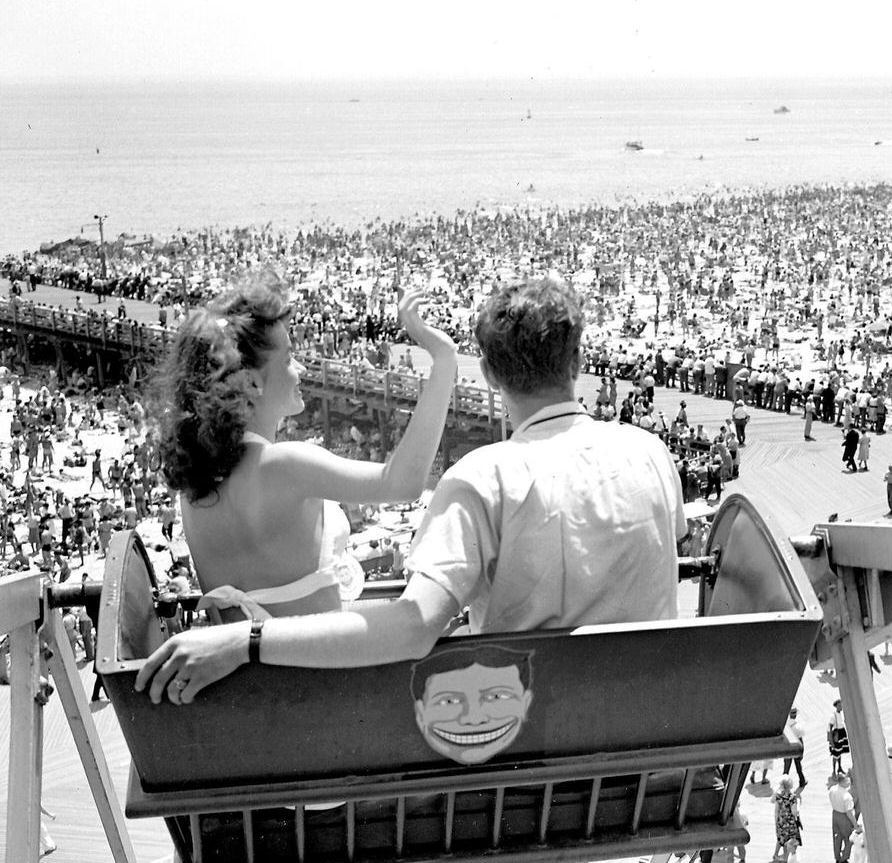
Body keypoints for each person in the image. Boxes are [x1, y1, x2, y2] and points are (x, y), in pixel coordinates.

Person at [138, 279, 688, 702]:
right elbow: (401, 484)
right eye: (291, 359)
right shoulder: (653, 453)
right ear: (577, 361)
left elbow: (412, 618)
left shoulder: (196, 487)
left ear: (492, 376)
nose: (303, 368)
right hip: (639, 713)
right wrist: (442, 363)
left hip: (265, 702)